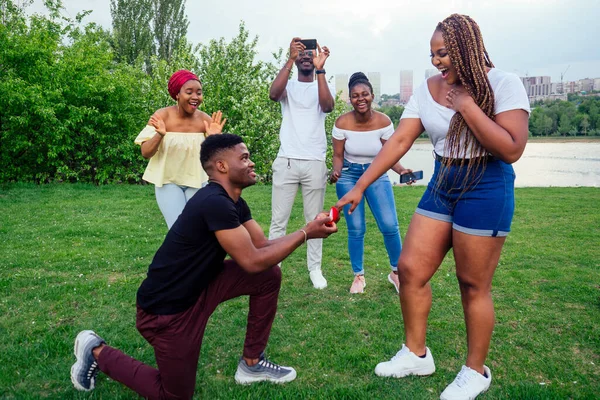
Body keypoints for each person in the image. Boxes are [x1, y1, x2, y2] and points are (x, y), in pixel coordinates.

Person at [336, 14, 530, 400]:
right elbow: (398, 142)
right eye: (433, 54)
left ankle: (476, 372)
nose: (437, 61)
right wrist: (360, 185)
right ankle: (416, 353)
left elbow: (511, 149)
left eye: (444, 53)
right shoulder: (426, 90)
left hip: (486, 183)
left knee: (472, 283)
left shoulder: (504, 84)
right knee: (409, 269)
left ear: (465, 48)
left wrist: (468, 106)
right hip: (443, 182)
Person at [71, 134, 338, 399]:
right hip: (167, 312)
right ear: (221, 166)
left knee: (269, 275)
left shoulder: (233, 202)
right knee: (175, 395)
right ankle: (95, 350)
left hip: (202, 286)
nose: (252, 163)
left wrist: (308, 229)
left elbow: (261, 248)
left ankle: (252, 364)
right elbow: (251, 261)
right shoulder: (214, 202)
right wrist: (306, 233)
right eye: (244, 158)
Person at [330, 72, 413, 294]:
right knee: (356, 229)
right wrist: (336, 172)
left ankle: (396, 273)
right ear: (350, 99)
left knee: (389, 225)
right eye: (355, 95)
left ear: (372, 95)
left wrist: (402, 169)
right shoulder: (342, 123)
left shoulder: (384, 121)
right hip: (349, 176)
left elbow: (390, 154)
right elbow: (338, 156)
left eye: (364, 94)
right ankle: (358, 276)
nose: (360, 99)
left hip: (378, 174)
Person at [268, 37, 335, 289]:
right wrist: (290, 59)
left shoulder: (321, 82)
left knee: (316, 219)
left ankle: (315, 269)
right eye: (302, 53)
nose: (306, 56)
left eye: (310, 53)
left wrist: (321, 68)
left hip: (315, 162)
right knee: (279, 220)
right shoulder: (289, 86)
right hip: (286, 160)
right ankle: (273, 266)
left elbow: (328, 106)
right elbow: (273, 94)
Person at [134, 69, 227, 229]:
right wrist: (160, 135)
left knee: (198, 228)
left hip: (198, 182)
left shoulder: (205, 120)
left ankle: (199, 255)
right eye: (189, 92)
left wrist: (214, 138)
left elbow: (219, 159)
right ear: (177, 94)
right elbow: (145, 153)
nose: (195, 97)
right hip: (168, 182)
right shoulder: (161, 116)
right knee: (178, 229)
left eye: (199, 92)